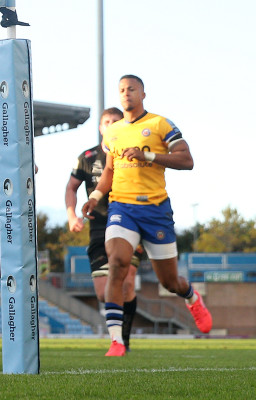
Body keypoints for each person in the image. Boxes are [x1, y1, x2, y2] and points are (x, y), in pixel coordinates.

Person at [82, 74, 212, 357]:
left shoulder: (159, 124)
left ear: (143, 94)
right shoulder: (112, 132)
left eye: (132, 89)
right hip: (122, 208)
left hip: (155, 210)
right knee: (117, 263)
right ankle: (116, 340)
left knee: (169, 282)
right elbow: (109, 172)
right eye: (122, 90)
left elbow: (187, 160)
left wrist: (148, 156)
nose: (126, 93)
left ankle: (190, 295)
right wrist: (94, 197)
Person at [65, 107, 142, 351]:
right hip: (99, 227)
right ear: (100, 127)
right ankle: (118, 336)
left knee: (126, 282)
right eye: (106, 122)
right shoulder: (87, 157)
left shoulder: (133, 154)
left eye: (116, 121)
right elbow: (71, 187)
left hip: (131, 223)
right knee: (103, 292)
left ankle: (121, 340)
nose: (111, 125)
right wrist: (71, 216)